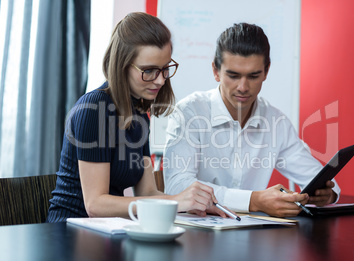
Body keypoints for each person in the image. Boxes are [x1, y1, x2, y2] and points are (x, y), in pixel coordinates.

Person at [47, 12, 226, 222]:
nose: (160, 80)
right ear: (123, 66)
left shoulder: (139, 115)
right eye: (149, 71)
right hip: (69, 235)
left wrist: (191, 205)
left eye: (165, 69)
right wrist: (178, 202)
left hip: (106, 232)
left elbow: (148, 193)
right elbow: (95, 204)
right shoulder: (93, 108)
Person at [163, 22, 340, 218]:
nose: (243, 87)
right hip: (195, 234)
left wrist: (328, 195)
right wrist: (253, 201)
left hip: (252, 234)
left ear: (266, 71)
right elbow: (176, 185)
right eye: (233, 75)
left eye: (253, 76)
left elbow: (316, 178)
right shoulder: (189, 112)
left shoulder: (276, 121)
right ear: (216, 71)